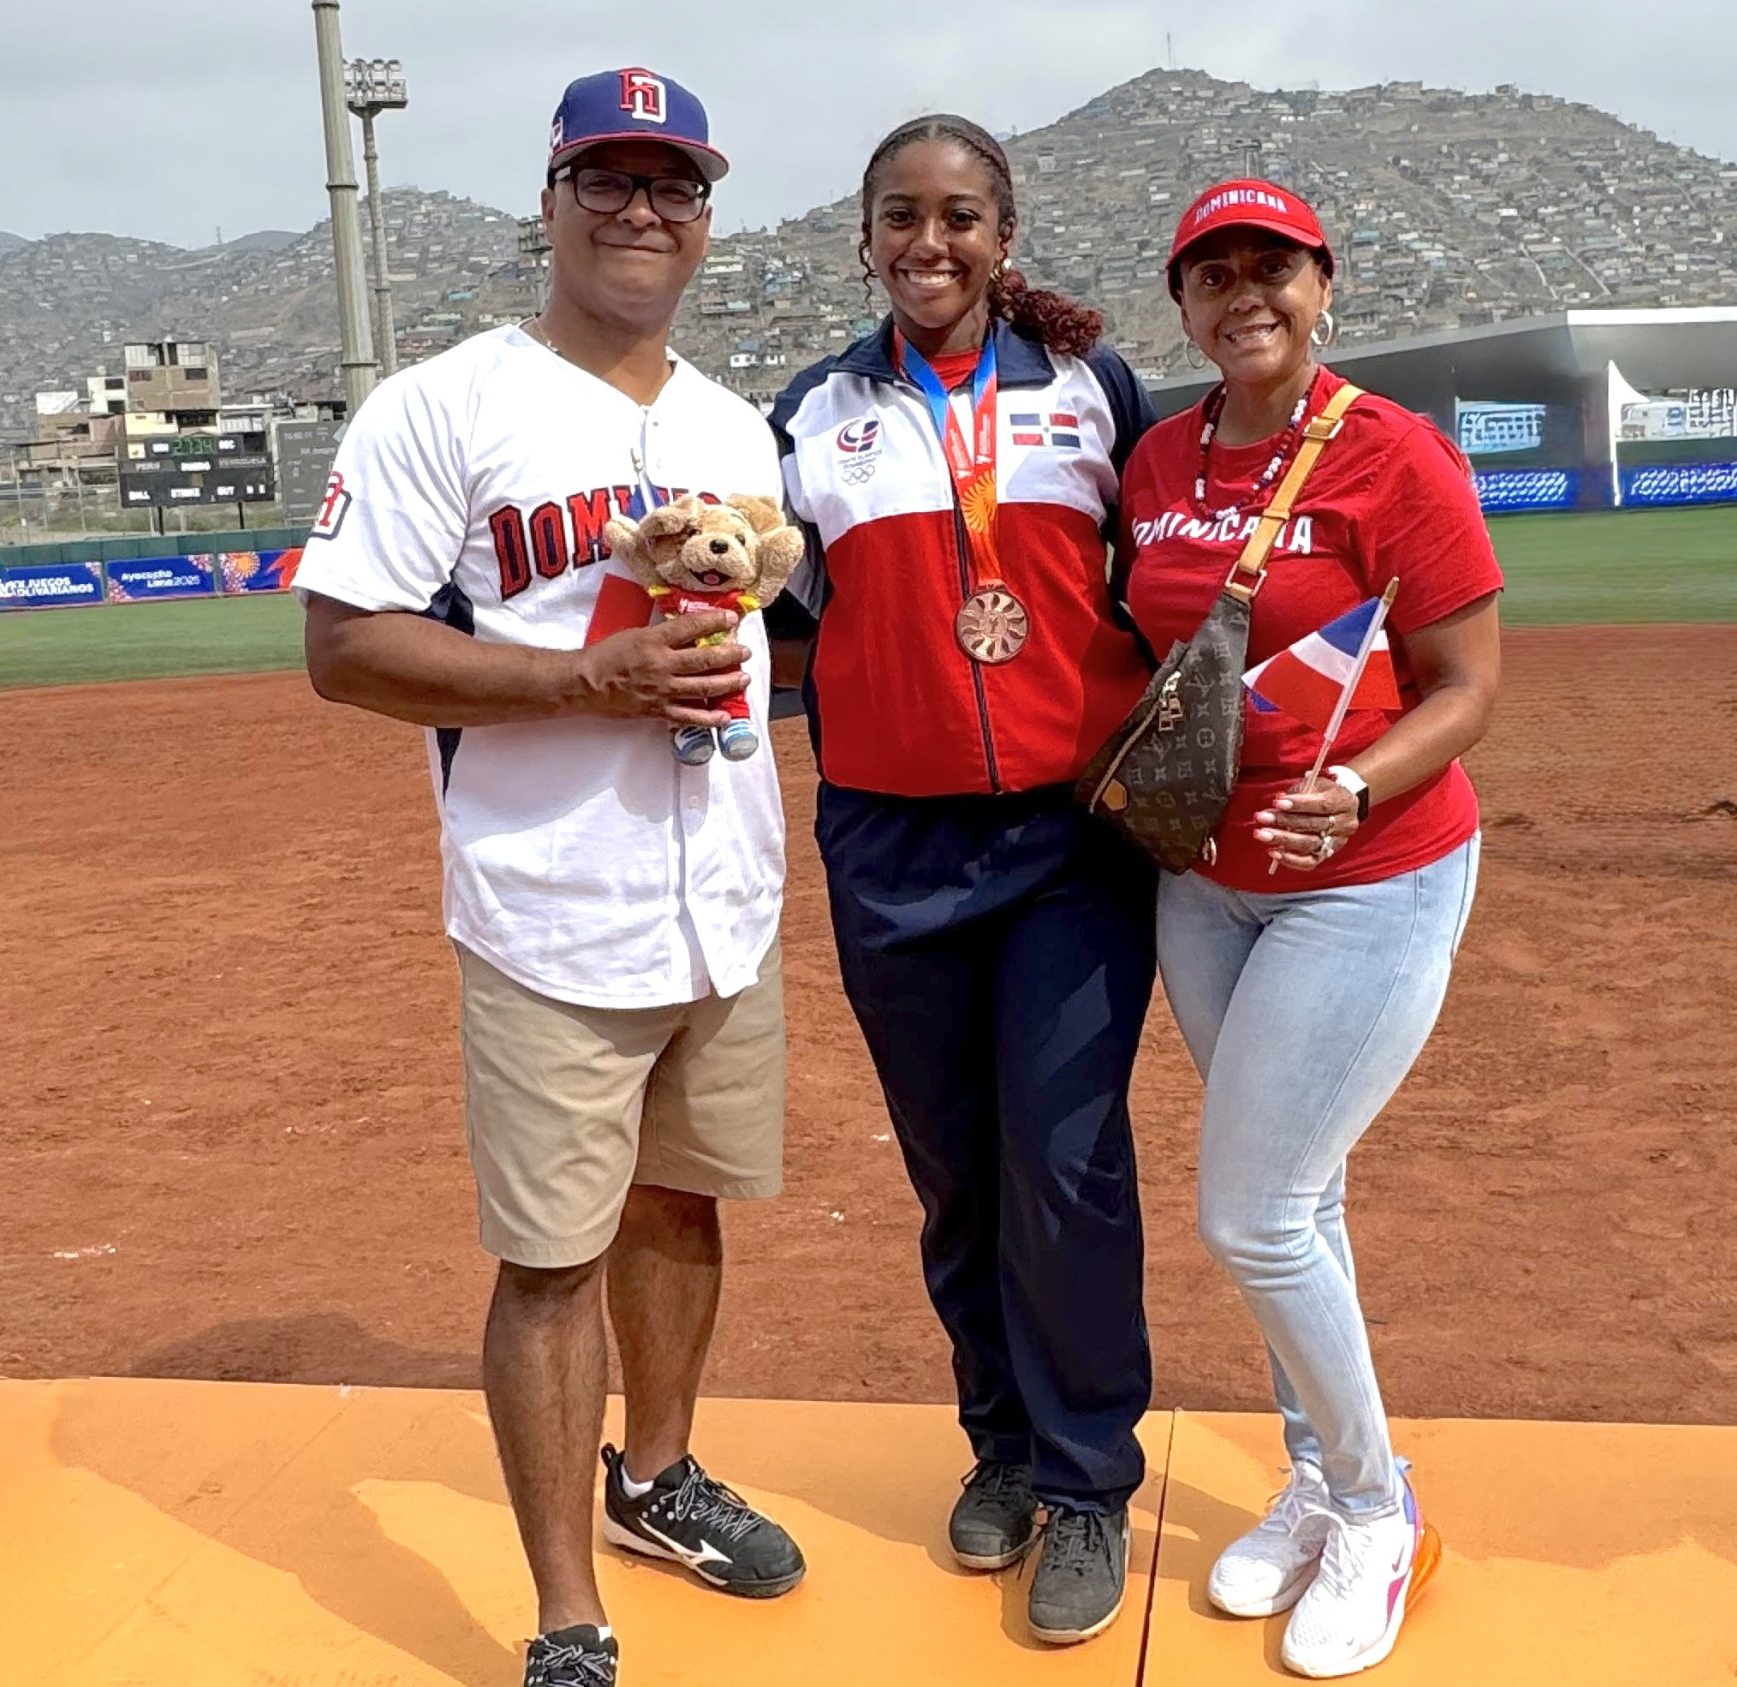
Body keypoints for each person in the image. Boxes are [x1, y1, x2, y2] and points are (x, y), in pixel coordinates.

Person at [293, 66, 803, 1687]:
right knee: (550, 1258)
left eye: (676, 184)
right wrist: (579, 684)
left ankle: (658, 1475)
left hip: (721, 892)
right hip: (548, 905)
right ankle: (568, 1611)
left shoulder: (732, 427)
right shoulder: (443, 405)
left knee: (682, 1206)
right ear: (554, 201)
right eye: (609, 179)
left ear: (708, 218)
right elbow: (346, 648)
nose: (643, 209)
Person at [766, 114, 1159, 1647]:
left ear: (1005, 233)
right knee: (956, 1171)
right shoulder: (813, 413)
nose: (931, 244)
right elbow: (784, 629)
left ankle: (1086, 1480)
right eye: (902, 218)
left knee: (1063, 1164)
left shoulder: (1089, 391)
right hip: (892, 846)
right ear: (865, 236)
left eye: (961, 218)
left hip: (1069, 848)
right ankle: (998, 1441)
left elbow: (1161, 578)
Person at [1116, 179, 1503, 1679]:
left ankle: (1373, 1509)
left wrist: (1353, 786)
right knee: (1303, 1200)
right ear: (1187, 306)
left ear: (1323, 285)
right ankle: (1315, 1476)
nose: (1242, 296)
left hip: (1369, 872)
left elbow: (1467, 687)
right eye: (1212, 275)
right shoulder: (1156, 458)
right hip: (1203, 880)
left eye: (1270, 267)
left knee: (1252, 1213)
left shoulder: (1392, 457)